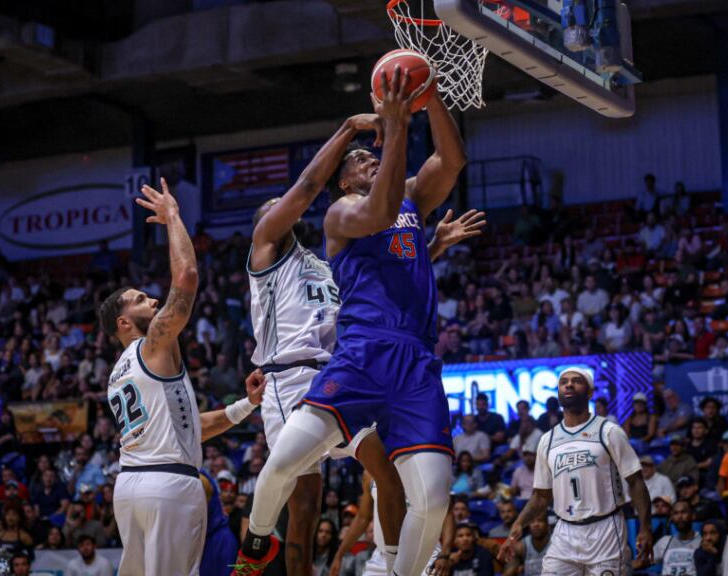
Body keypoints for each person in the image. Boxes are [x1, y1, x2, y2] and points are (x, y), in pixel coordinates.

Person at [236, 70, 469, 576]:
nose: (369, 158)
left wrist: (429, 101)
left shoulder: (382, 216)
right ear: (344, 181)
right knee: (297, 487)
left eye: (372, 155)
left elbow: (450, 162)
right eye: (360, 159)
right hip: (343, 361)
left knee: (414, 489)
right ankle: (255, 546)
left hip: (406, 358)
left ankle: (392, 565)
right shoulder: (335, 214)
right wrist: (393, 125)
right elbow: (370, 209)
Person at [98, 178, 267, 576]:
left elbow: (185, 429)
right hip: (168, 488)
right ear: (124, 321)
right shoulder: (152, 345)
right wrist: (174, 216)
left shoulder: (117, 375)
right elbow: (187, 276)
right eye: (141, 299)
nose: (153, 300)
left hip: (130, 488)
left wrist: (246, 406)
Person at [498, 367, 654, 574]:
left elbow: (636, 482)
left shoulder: (609, 431)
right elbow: (541, 496)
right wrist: (517, 526)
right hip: (565, 531)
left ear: (589, 392)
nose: (569, 384)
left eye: (576, 381)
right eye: (564, 382)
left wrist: (645, 527)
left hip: (605, 528)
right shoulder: (548, 440)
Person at [653, 500, 701, 576]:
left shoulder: (701, 543)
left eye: (683, 512)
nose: (679, 516)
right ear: (672, 517)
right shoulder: (665, 541)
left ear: (693, 515)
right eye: (676, 513)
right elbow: (645, 562)